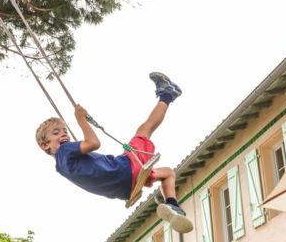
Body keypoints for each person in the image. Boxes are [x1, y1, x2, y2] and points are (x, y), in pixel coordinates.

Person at [36, 72, 193, 233]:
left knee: (167, 173)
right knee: (144, 130)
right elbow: (94, 143)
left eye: (64, 131)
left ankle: (173, 206)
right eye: (56, 133)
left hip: (125, 188)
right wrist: (81, 118)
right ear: (44, 145)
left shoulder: (62, 167)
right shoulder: (64, 150)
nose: (63, 134)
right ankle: (168, 94)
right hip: (124, 169)